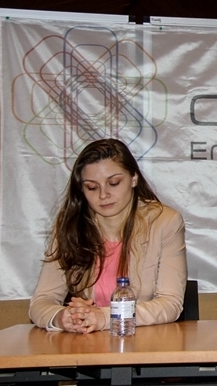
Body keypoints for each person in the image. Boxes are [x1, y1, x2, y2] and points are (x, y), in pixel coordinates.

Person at [29, 139, 187, 333]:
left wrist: (104, 316)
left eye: (113, 183)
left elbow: (170, 304)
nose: (103, 195)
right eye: (92, 187)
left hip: (144, 341)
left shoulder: (165, 222)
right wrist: (62, 317)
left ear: (134, 178)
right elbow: (41, 302)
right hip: (86, 344)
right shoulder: (70, 225)